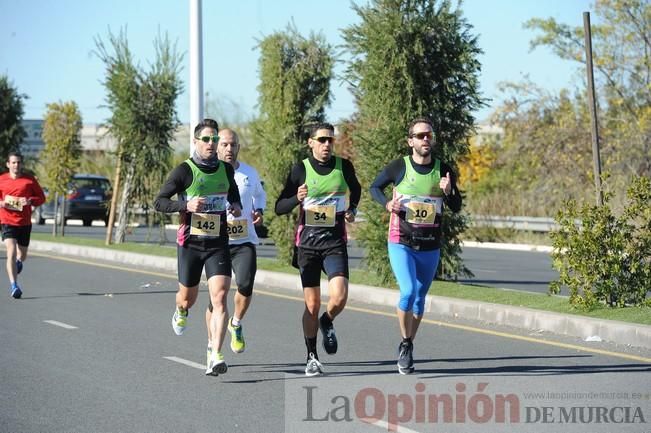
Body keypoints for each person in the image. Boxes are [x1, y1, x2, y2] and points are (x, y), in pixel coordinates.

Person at [369, 117, 461, 375]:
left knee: (420, 300)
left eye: (429, 135)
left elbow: (456, 206)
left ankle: (408, 342)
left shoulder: (443, 169)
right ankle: (405, 343)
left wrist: (449, 191)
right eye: (420, 136)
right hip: (401, 241)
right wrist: (387, 204)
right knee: (408, 291)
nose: (425, 140)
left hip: (430, 245)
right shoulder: (400, 166)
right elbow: (374, 187)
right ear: (410, 141)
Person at [154, 119, 242, 377]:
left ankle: (215, 353)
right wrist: (186, 206)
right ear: (195, 142)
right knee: (188, 299)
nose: (212, 144)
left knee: (220, 296)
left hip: (217, 242)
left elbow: (232, 192)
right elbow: (159, 202)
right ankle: (180, 310)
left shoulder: (226, 170)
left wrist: (235, 205)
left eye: (215, 140)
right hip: (191, 244)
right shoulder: (184, 170)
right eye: (207, 140)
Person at [275, 122, 361, 376]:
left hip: (334, 242)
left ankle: (328, 320)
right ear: (310, 142)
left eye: (330, 141)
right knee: (312, 304)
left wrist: (352, 209)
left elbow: (355, 189)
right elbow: (279, 207)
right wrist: (296, 199)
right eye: (321, 140)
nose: (326, 145)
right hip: (308, 246)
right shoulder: (300, 170)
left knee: (340, 296)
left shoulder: (343, 166)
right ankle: (312, 356)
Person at [205, 128, 266, 355]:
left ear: (238, 147)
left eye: (233, 145)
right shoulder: (208, 173)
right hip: (216, 242)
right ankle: (212, 345)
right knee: (217, 298)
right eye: (225, 145)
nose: (229, 149)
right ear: (216, 146)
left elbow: (260, 194)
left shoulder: (249, 173)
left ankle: (236, 323)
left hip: (243, 239)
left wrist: (259, 209)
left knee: (245, 284)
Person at [0, 152, 46, 299]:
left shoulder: (29, 180)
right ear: (8, 164)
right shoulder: (1, 180)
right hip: (7, 221)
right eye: (13, 162)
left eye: (19, 162)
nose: (16, 165)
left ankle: (19, 262)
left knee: (23, 254)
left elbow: (41, 198)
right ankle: (14, 286)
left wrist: (31, 201)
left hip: (24, 222)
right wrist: (1, 203)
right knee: (11, 251)